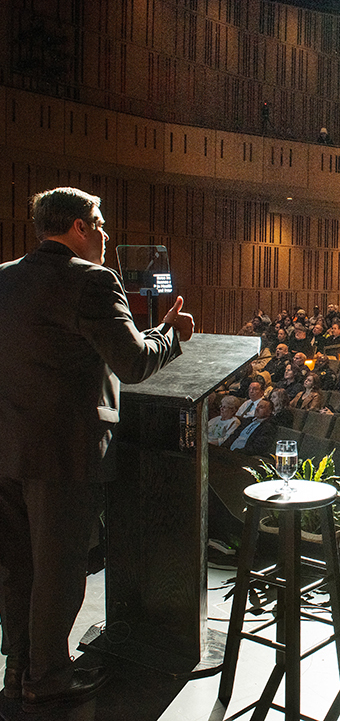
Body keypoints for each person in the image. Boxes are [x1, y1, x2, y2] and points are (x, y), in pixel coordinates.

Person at [0, 187, 194, 711]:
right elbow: (131, 363)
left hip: (7, 447)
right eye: (100, 223)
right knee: (60, 569)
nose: (107, 235)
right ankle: (48, 678)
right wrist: (170, 333)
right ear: (79, 228)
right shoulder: (91, 280)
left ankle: (18, 668)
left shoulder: (4, 278)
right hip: (63, 452)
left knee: (17, 567)